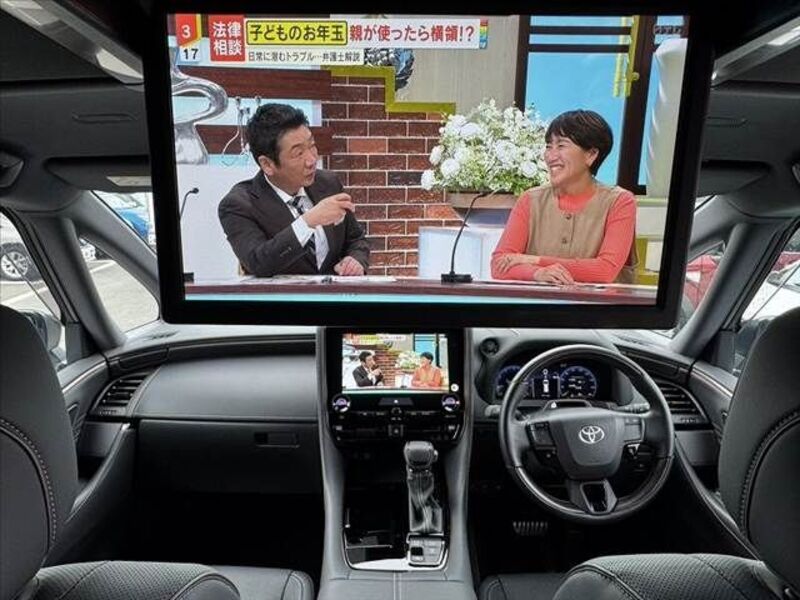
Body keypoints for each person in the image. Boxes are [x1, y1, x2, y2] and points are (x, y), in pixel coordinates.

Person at [218, 103, 369, 277]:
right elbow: (258, 263)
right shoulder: (238, 205)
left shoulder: (328, 183)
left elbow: (356, 240)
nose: (312, 160)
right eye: (298, 153)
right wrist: (308, 221)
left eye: (312, 145)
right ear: (267, 164)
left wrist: (356, 259)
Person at [491, 109, 637, 285]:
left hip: (597, 303)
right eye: (548, 146)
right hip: (539, 302)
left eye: (561, 145)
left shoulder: (620, 202)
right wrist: (537, 273)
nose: (550, 156)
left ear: (591, 155)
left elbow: (604, 270)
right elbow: (499, 264)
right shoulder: (530, 199)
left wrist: (534, 260)